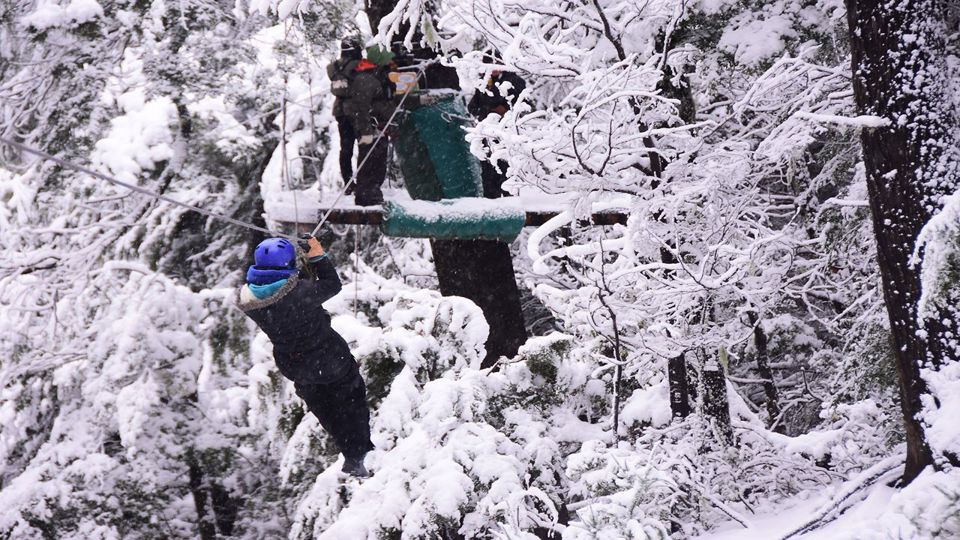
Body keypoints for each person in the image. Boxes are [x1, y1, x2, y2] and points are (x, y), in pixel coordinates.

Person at [237, 236, 374, 477]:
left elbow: (284, 288)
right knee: (351, 400)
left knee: (325, 408)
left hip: (296, 367)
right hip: (330, 360)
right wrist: (317, 256)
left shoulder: (251, 300)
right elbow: (332, 284)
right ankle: (361, 452)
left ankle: (349, 453)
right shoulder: (299, 294)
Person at [341, 45, 397, 206]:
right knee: (369, 162)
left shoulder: (377, 75)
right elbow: (361, 107)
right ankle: (366, 195)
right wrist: (366, 131)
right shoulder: (366, 79)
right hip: (370, 128)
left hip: (379, 126)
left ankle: (372, 193)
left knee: (378, 162)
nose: (391, 61)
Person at [467, 63, 526, 198]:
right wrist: (489, 110)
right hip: (487, 134)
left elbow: (521, 106)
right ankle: (492, 203)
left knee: (507, 170)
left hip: (506, 134)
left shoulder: (514, 81)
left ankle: (511, 204)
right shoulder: (484, 83)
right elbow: (473, 107)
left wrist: (503, 110)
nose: (492, 70)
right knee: (488, 171)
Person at [327, 38, 364, 191]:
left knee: (346, 147)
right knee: (364, 145)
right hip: (356, 109)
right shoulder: (360, 65)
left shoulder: (332, 67)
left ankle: (348, 181)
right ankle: (363, 182)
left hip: (340, 110)